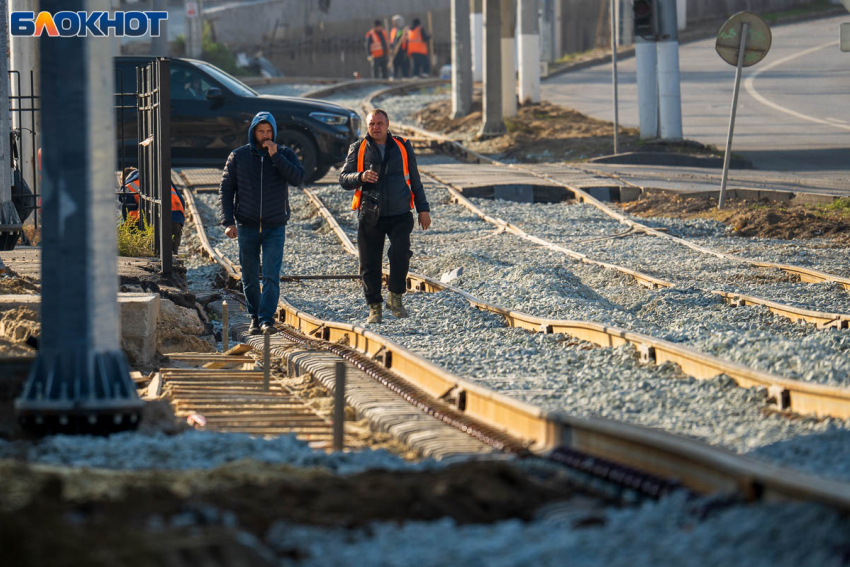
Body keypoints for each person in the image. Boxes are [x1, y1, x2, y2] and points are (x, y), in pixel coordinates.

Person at [339, 109, 431, 324]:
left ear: (388, 124)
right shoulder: (358, 148)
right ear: (367, 126)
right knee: (369, 264)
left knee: (400, 254)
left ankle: (395, 298)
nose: (376, 127)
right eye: (372, 124)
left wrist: (423, 209)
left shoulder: (402, 146)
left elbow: (415, 178)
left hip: (400, 213)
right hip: (371, 214)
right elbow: (343, 178)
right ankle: (374, 308)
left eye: (380, 123)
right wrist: (360, 176)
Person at [219, 112, 304, 334]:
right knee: (248, 276)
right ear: (253, 132)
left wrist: (276, 157)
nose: (265, 135)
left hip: (275, 225)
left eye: (269, 131)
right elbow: (226, 190)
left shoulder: (285, 154)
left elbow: (297, 178)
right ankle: (255, 317)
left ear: (274, 132)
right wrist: (228, 222)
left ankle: (267, 320)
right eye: (261, 131)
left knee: (270, 274)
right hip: (246, 225)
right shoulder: (238, 157)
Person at [119, 167, 186, 255]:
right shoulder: (160, 178)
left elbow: (128, 214)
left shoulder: (129, 186)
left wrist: (123, 229)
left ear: (124, 179)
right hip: (177, 215)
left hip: (156, 217)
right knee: (171, 254)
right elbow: (181, 200)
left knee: (156, 252)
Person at [389, 15, 410, 79]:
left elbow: (405, 40)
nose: (393, 23)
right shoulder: (393, 31)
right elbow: (392, 41)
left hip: (403, 51)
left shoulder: (404, 30)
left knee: (404, 66)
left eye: (394, 22)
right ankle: (394, 78)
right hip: (395, 51)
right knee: (395, 66)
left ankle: (406, 78)